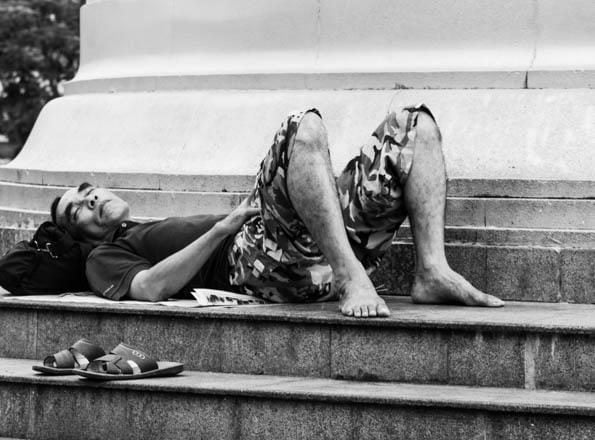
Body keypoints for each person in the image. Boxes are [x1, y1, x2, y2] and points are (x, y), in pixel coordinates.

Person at [50, 105, 503, 318]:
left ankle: (431, 270)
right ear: (81, 235)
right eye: (77, 212)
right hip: (253, 265)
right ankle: (349, 275)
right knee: (299, 127)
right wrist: (222, 229)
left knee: (412, 125)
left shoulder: (140, 227)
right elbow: (149, 289)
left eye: (87, 190)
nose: (89, 199)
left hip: (294, 247)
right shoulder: (100, 257)